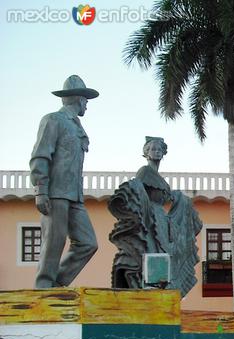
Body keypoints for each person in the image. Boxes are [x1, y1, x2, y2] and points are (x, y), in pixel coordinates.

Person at [108, 137, 203, 296]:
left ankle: (158, 287)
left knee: (163, 254)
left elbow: (162, 198)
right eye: (153, 149)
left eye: (159, 149)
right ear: (146, 152)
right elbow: (136, 191)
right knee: (153, 251)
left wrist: (176, 197)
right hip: (149, 217)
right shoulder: (144, 172)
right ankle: (150, 286)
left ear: (164, 152)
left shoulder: (160, 179)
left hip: (161, 219)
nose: (156, 152)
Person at [29, 75, 99, 288]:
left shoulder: (77, 127)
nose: (87, 104)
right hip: (55, 192)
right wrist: (41, 190)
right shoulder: (53, 120)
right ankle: (43, 286)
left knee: (88, 243)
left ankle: (57, 283)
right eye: (85, 99)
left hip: (74, 195)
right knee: (54, 241)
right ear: (78, 99)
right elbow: (40, 155)